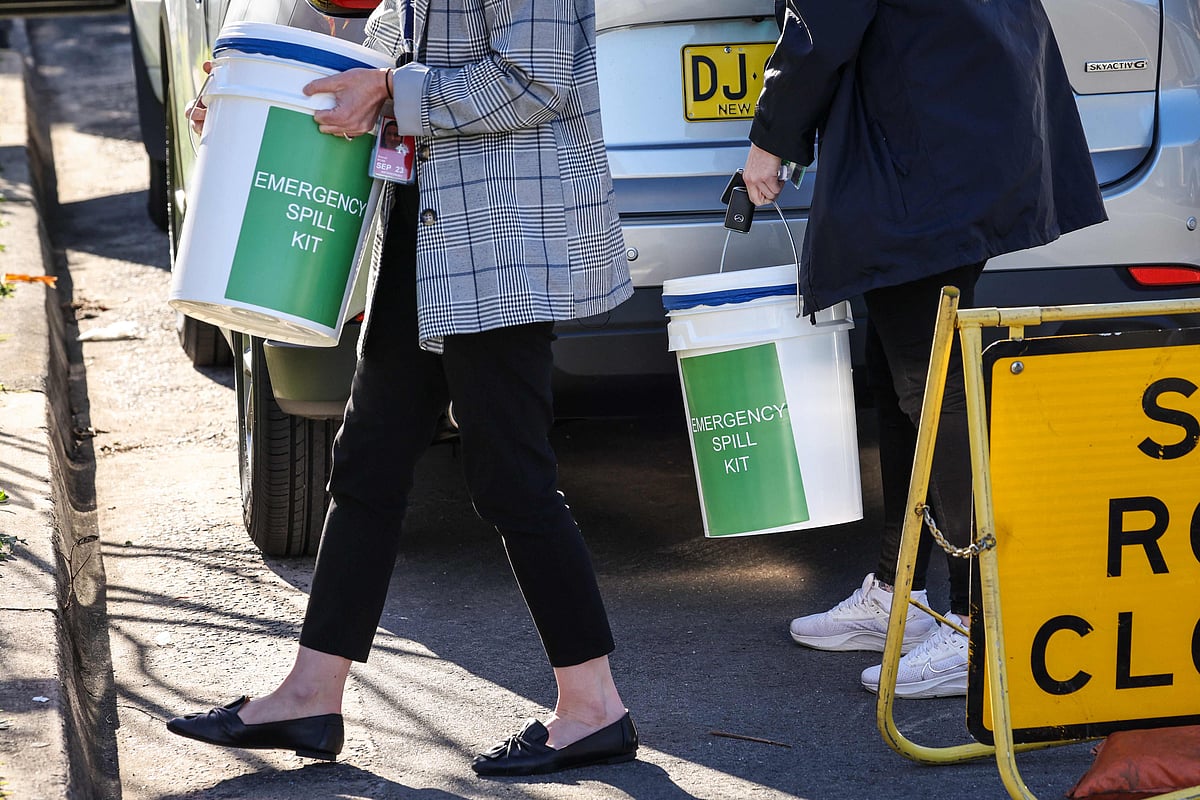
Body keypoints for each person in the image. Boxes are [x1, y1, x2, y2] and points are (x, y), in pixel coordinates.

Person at [167, 0, 639, 776]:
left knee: (512, 476)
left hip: (501, 240)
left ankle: (593, 708)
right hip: (425, 232)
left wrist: (388, 91)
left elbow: (537, 79)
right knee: (367, 465)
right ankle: (311, 694)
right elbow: (394, 35)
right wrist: (272, 90)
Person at [741, 0, 1107, 698]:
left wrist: (771, 136)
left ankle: (977, 624)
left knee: (934, 389)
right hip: (960, 119)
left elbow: (824, 20)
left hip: (924, 146)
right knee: (905, 374)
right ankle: (899, 592)